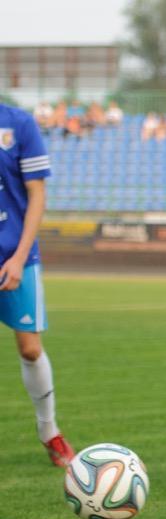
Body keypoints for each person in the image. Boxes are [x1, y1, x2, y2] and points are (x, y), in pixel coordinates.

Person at [0, 102, 75, 466]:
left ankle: (49, 431)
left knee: (30, 349)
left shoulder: (18, 123)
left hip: (14, 255)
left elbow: (37, 194)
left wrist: (18, 257)